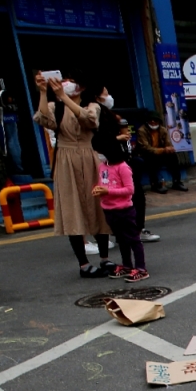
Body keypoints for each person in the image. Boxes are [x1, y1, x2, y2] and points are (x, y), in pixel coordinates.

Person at [33, 73, 114, 278]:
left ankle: (105, 258)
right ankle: (84, 264)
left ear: (82, 87)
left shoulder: (91, 105)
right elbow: (43, 119)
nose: (67, 85)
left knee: (98, 206)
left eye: (72, 82)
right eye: (64, 82)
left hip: (89, 157)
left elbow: (89, 121)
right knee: (72, 209)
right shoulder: (55, 107)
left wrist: (65, 98)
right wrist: (43, 92)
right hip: (65, 160)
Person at [92, 118, 147, 282]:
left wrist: (108, 190)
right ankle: (127, 265)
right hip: (109, 209)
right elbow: (104, 183)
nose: (99, 155)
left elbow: (130, 190)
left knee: (133, 239)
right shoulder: (103, 167)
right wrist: (99, 190)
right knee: (121, 240)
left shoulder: (123, 167)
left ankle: (141, 268)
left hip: (124, 209)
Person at [135, 110, 186, 194]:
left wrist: (170, 149)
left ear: (159, 121)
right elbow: (146, 148)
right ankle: (155, 184)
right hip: (146, 154)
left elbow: (168, 143)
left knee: (172, 156)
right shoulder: (142, 130)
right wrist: (163, 150)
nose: (153, 122)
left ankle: (177, 182)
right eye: (151, 120)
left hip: (160, 153)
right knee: (151, 159)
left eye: (155, 120)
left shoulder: (162, 130)